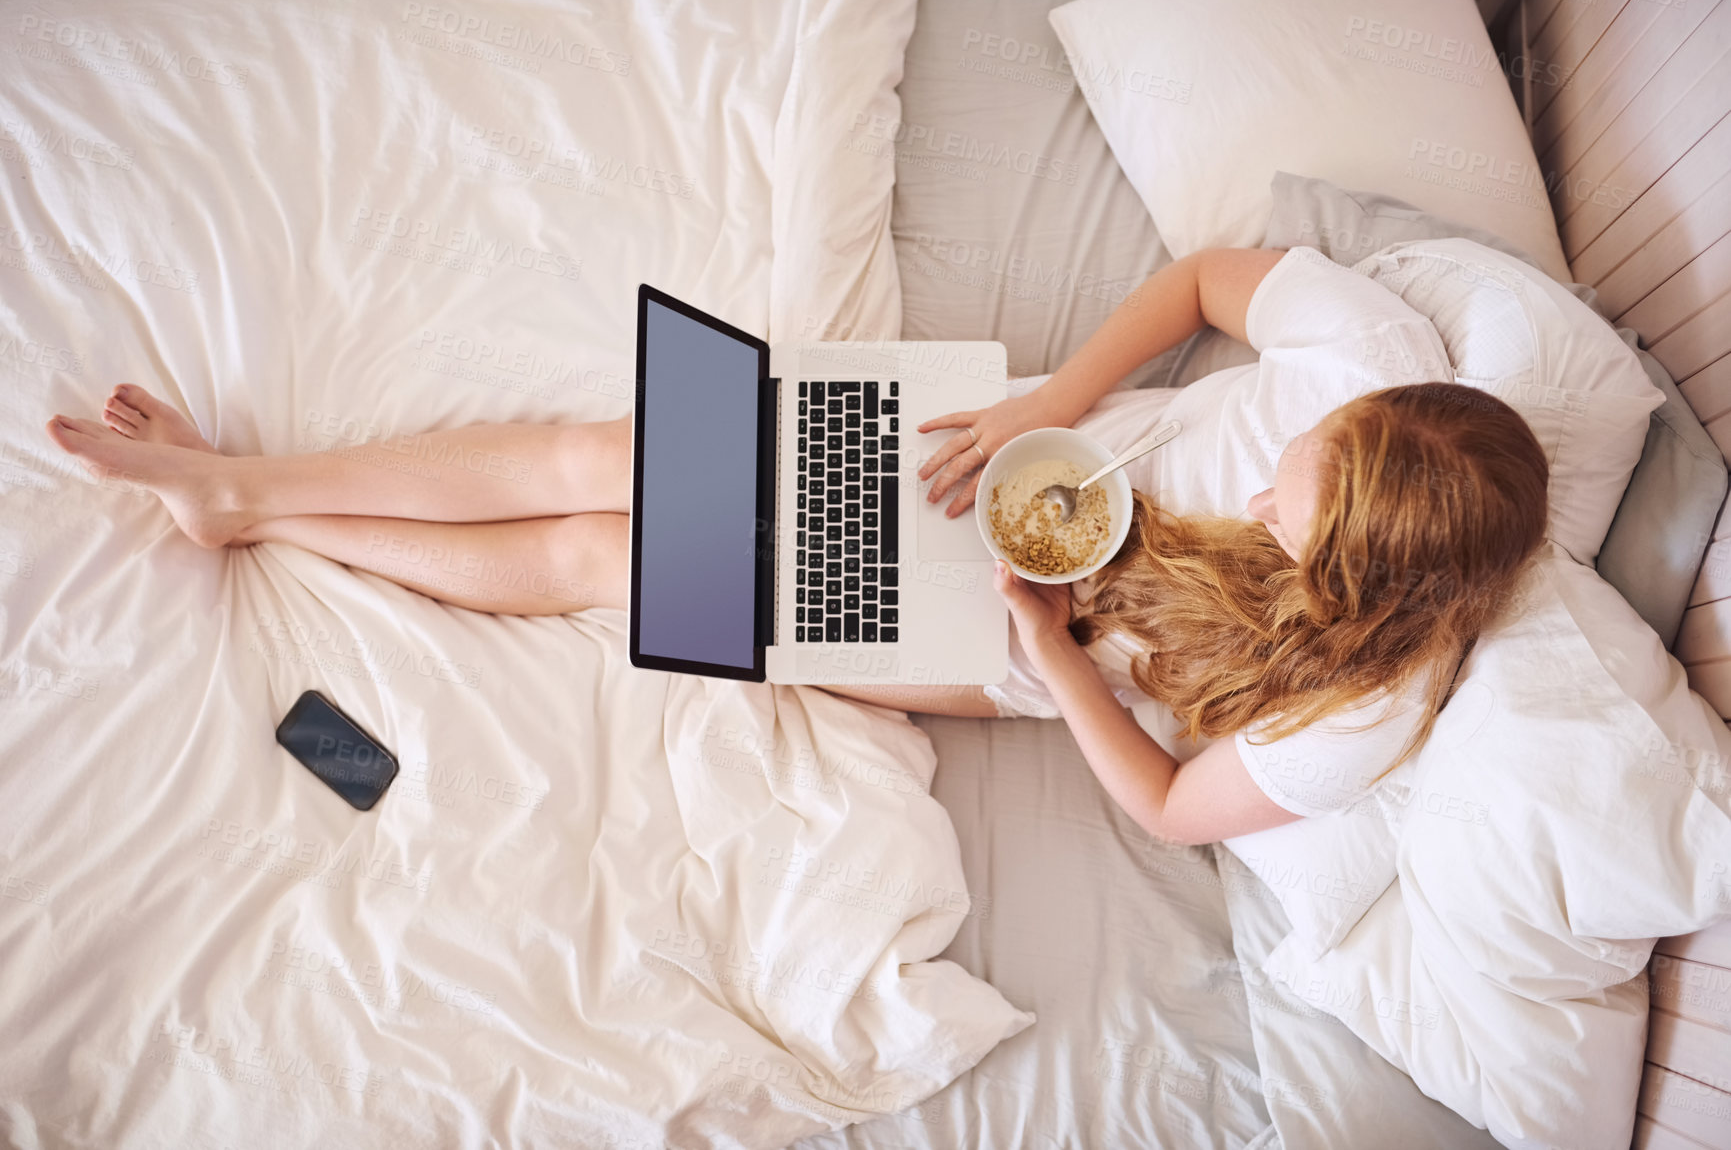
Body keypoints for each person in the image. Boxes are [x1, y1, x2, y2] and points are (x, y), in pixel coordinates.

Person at [44, 246, 1548, 846]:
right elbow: (1215, 274)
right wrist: (1058, 396)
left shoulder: (1368, 709)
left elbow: (1166, 806)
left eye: (1301, 511)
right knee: (604, 455)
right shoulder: (1378, 360)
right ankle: (243, 492)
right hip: (1007, 454)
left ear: (1360, 582)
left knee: (603, 556)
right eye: (1311, 451)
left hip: (1011, 646)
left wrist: (1041, 644)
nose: (1282, 478)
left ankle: (245, 508)